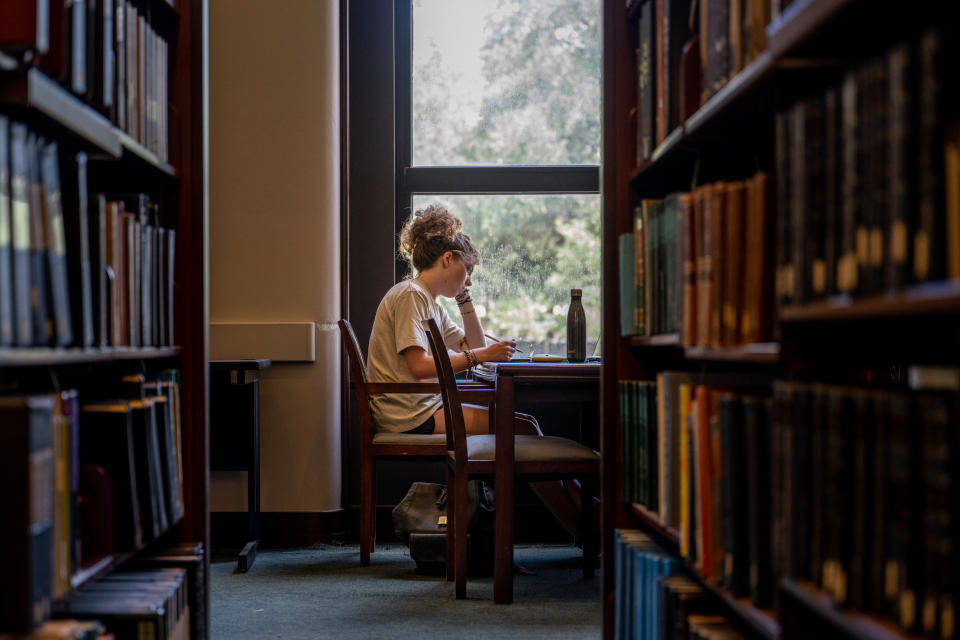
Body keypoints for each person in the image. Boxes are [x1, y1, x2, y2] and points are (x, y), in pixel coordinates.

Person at [366, 203, 582, 538]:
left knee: (524, 425)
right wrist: (482, 354)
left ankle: (582, 517)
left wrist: (465, 300)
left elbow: (473, 346)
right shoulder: (411, 296)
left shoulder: (430, 302)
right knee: (520, 428)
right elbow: (420, 366)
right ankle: (583, 521)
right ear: (448, 258)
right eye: (467, 270)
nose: (469, 279)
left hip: (422, 408)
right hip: (409, 415)